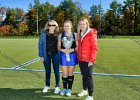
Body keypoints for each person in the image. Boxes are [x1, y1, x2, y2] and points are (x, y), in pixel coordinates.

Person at [77, 17, 98, 100]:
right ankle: (85, 90)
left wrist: (91, 60)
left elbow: (95, 48)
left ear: (87, 24)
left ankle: (90, 95)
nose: (82, 26)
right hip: (81, 59)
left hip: (88, 60)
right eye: (80, 24)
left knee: (88, 77)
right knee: (84, 76)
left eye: (84, 24)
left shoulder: (91, 33)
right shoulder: (80, 34)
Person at [38, 20, 61, 94]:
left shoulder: (59, 34)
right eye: (50, 25)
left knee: (56, 71)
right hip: (46, 55)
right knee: (47, 71)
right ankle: (47, 85)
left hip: (56, 54)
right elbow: (40, 45)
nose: (51, 27)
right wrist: (41, 55)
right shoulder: (43, 34)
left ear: (56, 26)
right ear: (47, 26)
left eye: (53, 25)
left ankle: (57, 86)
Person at [58, 20, 78, 96]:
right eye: (65, 26)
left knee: (70, 73)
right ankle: (64, 88)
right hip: (63, 55)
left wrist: (71, 50)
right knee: (64, 73)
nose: (66, 27)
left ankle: (69, 89)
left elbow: (77, 46)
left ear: (71, 26)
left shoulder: (75, 35)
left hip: (72, 55)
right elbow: (59, 47)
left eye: (68, 26)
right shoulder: (61, 35)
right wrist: (64, 50)